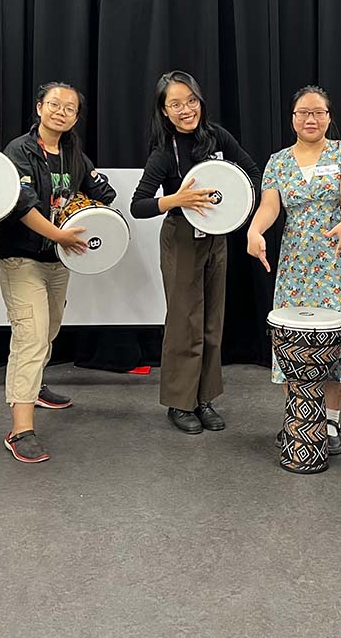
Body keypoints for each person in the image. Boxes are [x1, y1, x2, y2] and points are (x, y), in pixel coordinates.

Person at [247, 85, 341, 455]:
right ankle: (300, 415)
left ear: (329, 117)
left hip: (338, 257)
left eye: (318, 112)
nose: (311, 119)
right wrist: (255, 229)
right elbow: (270, 206)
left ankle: (331, 419)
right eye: (303, 112)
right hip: (296, 262)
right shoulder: (279, 161)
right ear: (292, 118)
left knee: (337, 339)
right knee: (293, 340)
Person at [131, 70, 261, 434]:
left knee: (212, 321)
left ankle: (204, 399)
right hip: (181, 238)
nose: (186, 109)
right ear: (164, 110)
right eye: (176, 104)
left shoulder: (217, 136)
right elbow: (138, 204)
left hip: (216, 238)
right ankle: (179, 402)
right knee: (183, 322)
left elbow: (251, 172)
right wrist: (177, 199)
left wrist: (235, 205)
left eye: (191, 100)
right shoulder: (163, 151)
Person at [0, 82, 115, 462]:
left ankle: (36, 386)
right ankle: (20, 429)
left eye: (70, 108)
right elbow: (22, 205)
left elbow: (104, 194)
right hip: (21, 257)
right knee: (30, 336)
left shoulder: (73, 152)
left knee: (48, 330)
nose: (61, 112)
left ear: (76, 117)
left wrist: (83, 202)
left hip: (58, 261)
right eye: (54, 105)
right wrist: (60, 234)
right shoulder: (20, 150)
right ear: (39, 107)